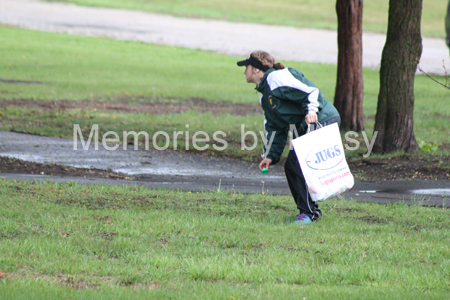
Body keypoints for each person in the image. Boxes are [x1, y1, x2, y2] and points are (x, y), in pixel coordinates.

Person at [237, 50, 341, 224]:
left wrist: (312, 111)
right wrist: (270, 155)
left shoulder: (276, 78)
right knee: (294, 166)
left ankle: (308, 214)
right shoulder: (265, 96)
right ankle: (310, 212)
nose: (244, 71)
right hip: (307, 126)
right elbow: (275, 127)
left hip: (322, 119)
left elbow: (311, 92)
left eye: (247, 67)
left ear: (256, 69)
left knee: (295, 165)